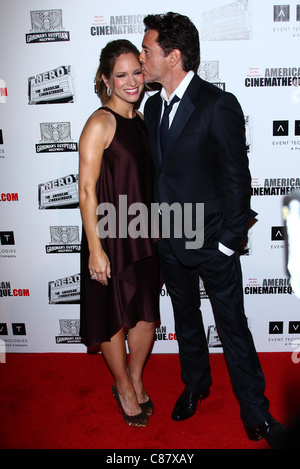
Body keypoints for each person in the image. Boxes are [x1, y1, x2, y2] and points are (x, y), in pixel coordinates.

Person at [140, 12, 287, 447]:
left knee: (232, 326)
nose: (143, 57)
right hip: (169, 238)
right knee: (185, 320)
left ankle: (256, 413)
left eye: (148, 50)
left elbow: (237, 179)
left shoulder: (218, 104)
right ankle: (196, 384)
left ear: (174, 56)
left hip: (211, 242)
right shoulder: (151, 106)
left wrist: (227, 242)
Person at [79, 39, 160, 428]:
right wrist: (96, 250)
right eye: (121, 75)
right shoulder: (100, 122)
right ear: (106, 79)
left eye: (137, 72)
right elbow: (87, 190)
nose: (132, 82)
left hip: (143, 235)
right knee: (112, 317)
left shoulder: (141, 120)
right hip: (109, 237)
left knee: (145, 315)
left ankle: (137, 377)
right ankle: (123, 387)